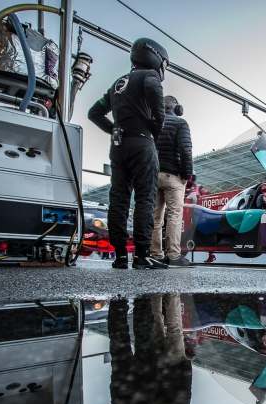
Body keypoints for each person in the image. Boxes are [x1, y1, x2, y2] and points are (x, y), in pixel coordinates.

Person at [87, 38, 169, 270]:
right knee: (145, 198)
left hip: (118, 145)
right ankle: (142, 255)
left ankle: (120, 255)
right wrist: (154, 129)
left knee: (119, 199)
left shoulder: (117, 83)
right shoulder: (149, 77)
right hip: (142, 143)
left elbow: (94, 112)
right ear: (156, 56)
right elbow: (158, 110)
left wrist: (112, 128)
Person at [151, 95, 194, 267]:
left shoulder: (153, 123)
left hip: (153, 175)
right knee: (174, 215)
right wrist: (187, 174)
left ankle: (155, 254)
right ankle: (174, 255)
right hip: (173, 176)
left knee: (155, 217)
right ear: (177, 108)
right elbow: (186, 149)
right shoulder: (180, 123)